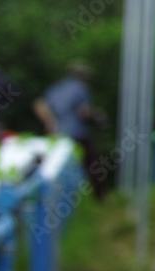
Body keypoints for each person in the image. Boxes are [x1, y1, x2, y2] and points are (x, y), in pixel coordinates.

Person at [34, 61, 107, 199]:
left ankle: (62, 199)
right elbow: (83, 112)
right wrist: (98, 116)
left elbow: (40, 104)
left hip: (58, 134)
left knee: (59, 168)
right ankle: (101, 197)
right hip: (77, 133)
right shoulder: (81, 88)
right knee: (92, 166)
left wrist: (50, 122)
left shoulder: (59, 88)